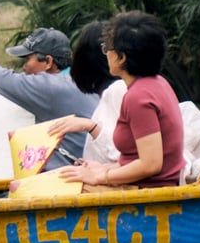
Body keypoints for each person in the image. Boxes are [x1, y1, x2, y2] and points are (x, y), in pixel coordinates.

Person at [52, 11, 184, 189]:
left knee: (43, 185)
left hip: (147, 191)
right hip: (147, 184)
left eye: (108, 49)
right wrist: (104, 168)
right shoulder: (158, 83)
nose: (106, 54)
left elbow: (151, 164)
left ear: (122, 57)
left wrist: (100, 177)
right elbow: (140, 158)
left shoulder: (138, 97)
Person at [0, 26, 102, 170]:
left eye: (27, 59)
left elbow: (0, 78)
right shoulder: (79, 80)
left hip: (73, 176)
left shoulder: (50, 88)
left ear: (48, 62)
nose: (24, 67)